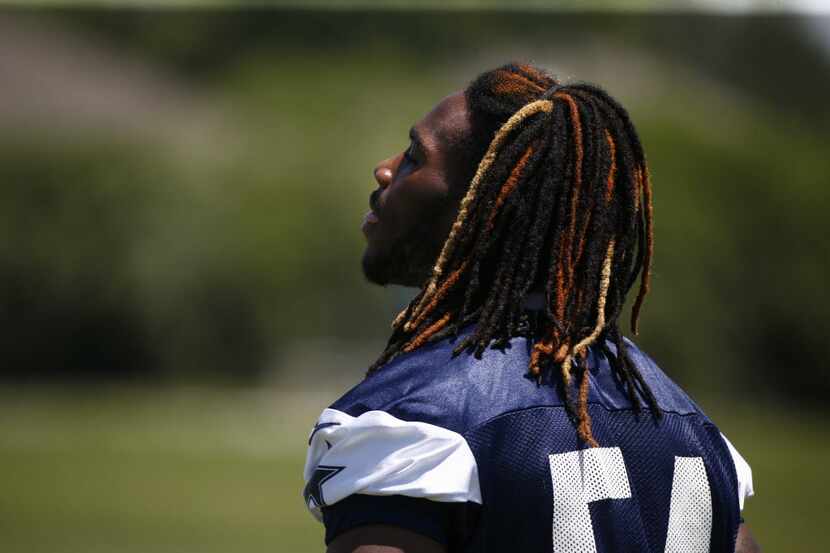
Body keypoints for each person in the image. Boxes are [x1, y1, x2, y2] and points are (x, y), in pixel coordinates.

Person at [302, 63, 758, 553]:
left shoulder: (420, 421)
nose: (386, 169)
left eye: (416, 156)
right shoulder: (691, 430)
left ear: (484, 207)